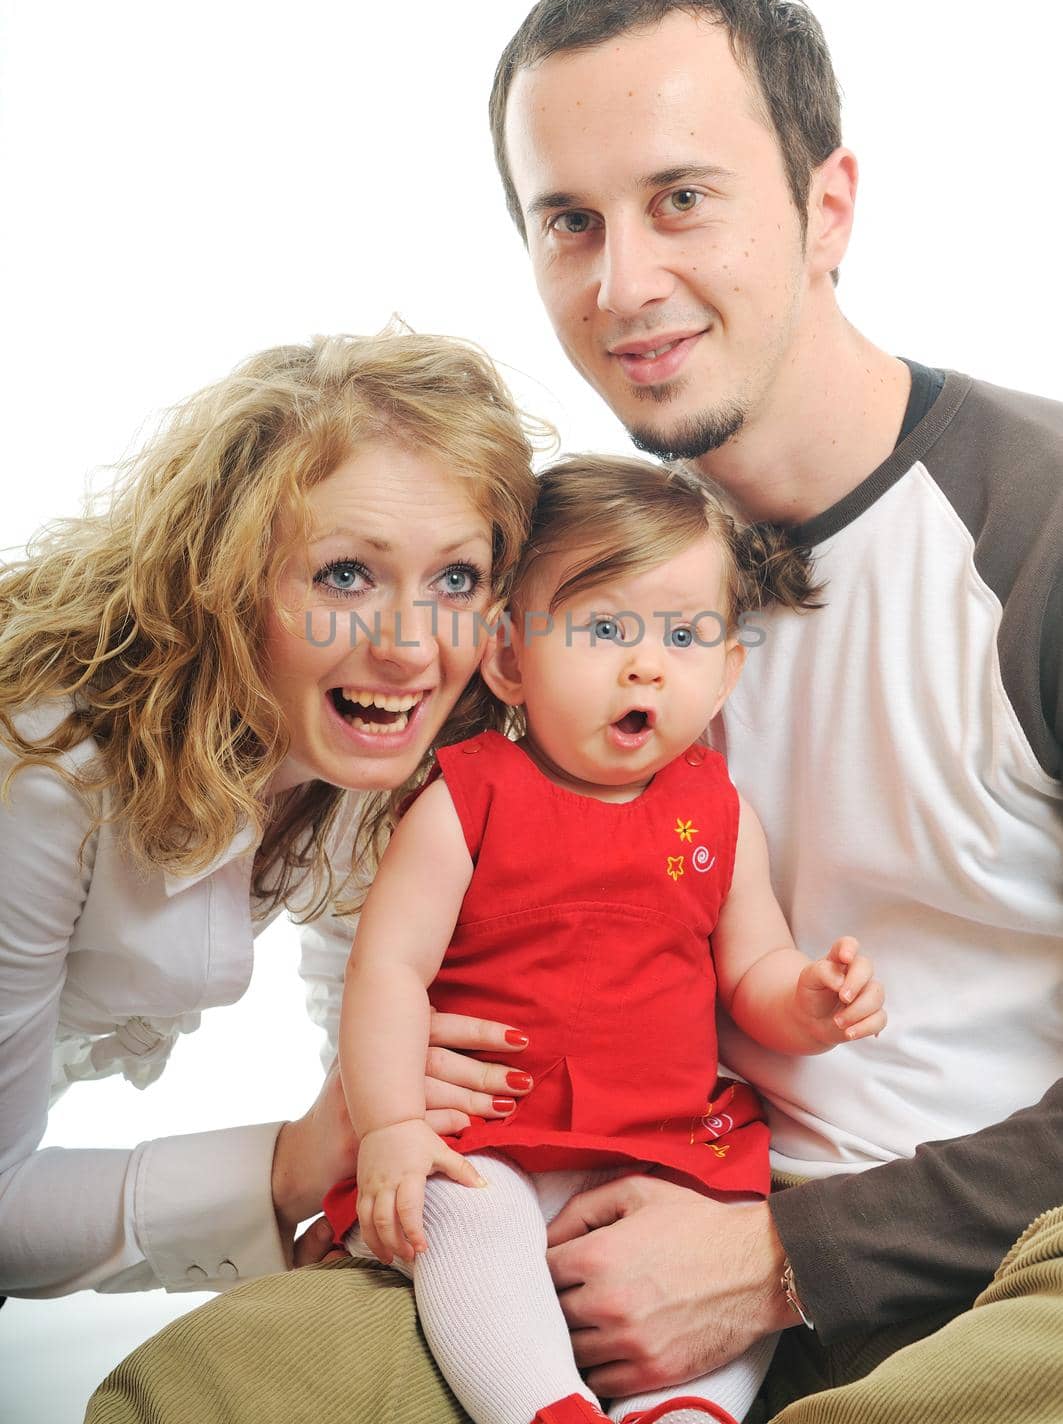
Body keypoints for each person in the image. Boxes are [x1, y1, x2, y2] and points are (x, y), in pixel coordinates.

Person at [87, 0, 1063, 1424]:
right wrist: (404, 1071)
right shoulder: (542, 571)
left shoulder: (1032, 529)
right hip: (577, 1214)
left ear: (825, 206)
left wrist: (789, 1257)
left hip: (977, 1255)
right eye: (567, 220)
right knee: (222, 1385)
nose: (621, 284)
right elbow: (395, 879)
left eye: (680, 199)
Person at [330, 454, 884, 1424]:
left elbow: (751, 966)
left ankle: (687, 1409)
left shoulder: (717, 811)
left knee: (725, 1252)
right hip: (499, 1136)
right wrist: (389, 1124)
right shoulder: (470, 794)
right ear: (507, 658)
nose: (645, 664)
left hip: (667, 1147)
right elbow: (388, 969)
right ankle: (542, 1406)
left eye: (682, 634)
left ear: (727, 671)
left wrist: (809, 1002)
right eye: (600, 630)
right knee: (460, 1219)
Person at [0, 328, 547, 1299]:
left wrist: (382, 1166)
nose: (411, 647)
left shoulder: (367, 749)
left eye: (455, 577)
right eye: (346, 573)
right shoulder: (39, 766)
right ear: (223, 572)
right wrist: (292, 1165)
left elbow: (366, 965)